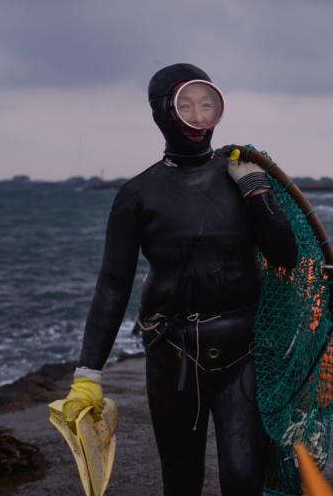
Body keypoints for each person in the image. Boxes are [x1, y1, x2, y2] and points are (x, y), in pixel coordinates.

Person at [60, 63, 298, 496]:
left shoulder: (239, 176)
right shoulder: (137, 195)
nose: (198, 117)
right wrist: (87, 373)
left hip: (243, 349)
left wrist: (257, 192)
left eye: (207, 106)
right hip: (172, 351)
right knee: (182, 480)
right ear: (162, 112)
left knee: (244, 479)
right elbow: (113, 284)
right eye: (185, 105)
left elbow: (286, 256)